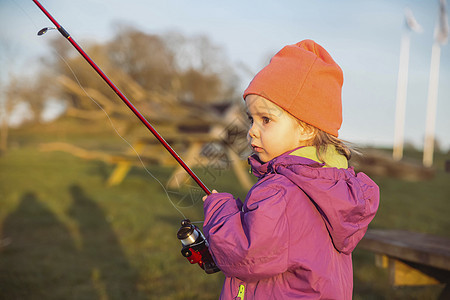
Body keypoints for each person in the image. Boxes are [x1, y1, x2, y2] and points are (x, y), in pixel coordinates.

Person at [202, 39, 380, 299]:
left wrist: (220, 211)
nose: (252, 129)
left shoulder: (282, 192)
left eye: (266, 120)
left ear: (307, 127)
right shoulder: (331, 185)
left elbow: (245, 253)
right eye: (252, 119)